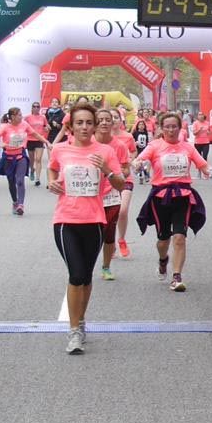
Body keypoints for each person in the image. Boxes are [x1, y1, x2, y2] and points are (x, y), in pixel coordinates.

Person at [45, 104, 125, 354]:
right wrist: (51, 182)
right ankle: (74, 331)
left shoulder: (106, 151)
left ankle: (80, 320)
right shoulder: (60, 149)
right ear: (70, 125)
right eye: (79, 123)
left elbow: (121, 183)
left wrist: (106, 169)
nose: (85, 127)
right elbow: (53, 168)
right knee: (76, 275)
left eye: (88, 122)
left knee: (87, 277)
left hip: (94, 220)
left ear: (95, 125)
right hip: (66, 220)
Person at [134, 111, 212, 292]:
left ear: (180, 127)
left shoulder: (187, 148)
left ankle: (176, 277)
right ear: (161, 128)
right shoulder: (155, 145)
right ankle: (163, 260)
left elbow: (202, 165)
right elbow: (140, 160)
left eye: (174, 126)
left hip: (183, 196)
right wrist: (138, 164)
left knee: (180, 237)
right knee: (163, 238)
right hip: (160, 197)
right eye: (167, 127)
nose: (171, 130)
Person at [93, 109, 132, 281]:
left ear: (113, 123)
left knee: (108, 233)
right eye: (100, 119)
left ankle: (106, 266)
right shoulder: (87, 142)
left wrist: (114, 171)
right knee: (92, 233)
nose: (104, 123)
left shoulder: (120, 146)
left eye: (107, 120)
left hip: (112, 192)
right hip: (90, 194)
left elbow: (126, 169)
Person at [0, 107, 50, 216]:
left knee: (20, 181)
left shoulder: (24, 125)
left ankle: (21, 205)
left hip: (20, 155)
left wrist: (46, 142)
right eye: (19, 115)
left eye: (21, 114)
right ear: (12, 117)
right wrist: (1, 144)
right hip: (8, 157)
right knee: (11, 182)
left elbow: (35, 134)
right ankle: (15, 201)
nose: (21, 117)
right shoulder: (4, 127)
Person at [107, 109, 138, 259]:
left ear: (120, 120)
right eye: (110, 117)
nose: (113, 120)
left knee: (123, 210)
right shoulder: (100, 138)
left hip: (125, 177)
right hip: (107, 181)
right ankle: (110, 243)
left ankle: (122, 239)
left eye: (116, 117)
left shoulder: (128, 137)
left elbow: (133, 152)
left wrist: (129, 160)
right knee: (110, 215)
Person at [24, 102, 50, 187]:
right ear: (32, 108)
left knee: (38, 159)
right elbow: (23, 127)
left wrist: (47, 128)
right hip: (30, 140)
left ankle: (37, 178)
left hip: (39, 139)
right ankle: (32, 170)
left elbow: (47, 126)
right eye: (34, 106)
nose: (36, 108)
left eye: (38, 107)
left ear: (39, 108)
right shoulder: (27, 117)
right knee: (32, 160)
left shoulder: (43, 117)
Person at [191, 113, 211, 179]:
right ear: (198, 116)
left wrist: (209, 132)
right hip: (198, 142)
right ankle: (199, 172)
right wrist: (199, 130)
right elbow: (194, 133)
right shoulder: (195, 123)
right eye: (199, 115)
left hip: (206, 142)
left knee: (204, 157)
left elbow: (210, 131)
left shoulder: (207, 123)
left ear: (204, 116)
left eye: (202, 114)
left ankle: (205, 173)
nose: (200, 116)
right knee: (198, 159)